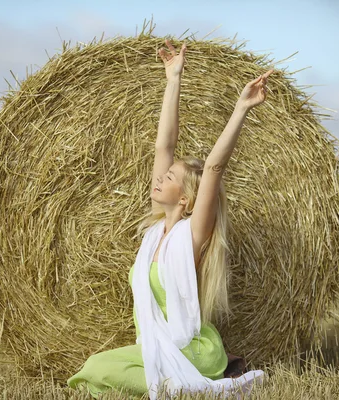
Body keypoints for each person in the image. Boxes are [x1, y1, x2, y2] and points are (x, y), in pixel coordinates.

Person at [67, 38, 273, 399]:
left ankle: (206, 382)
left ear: (186, 198)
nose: (160, 178)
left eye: (170, 178)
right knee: (94, 372)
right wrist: (173, 77)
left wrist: (241, 108)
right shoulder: (153, 232)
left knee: (96, 371)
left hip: (193, 349)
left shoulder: (191, 236)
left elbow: (213, 167)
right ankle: (191, 385)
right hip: (158, 345)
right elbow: (165, 145)